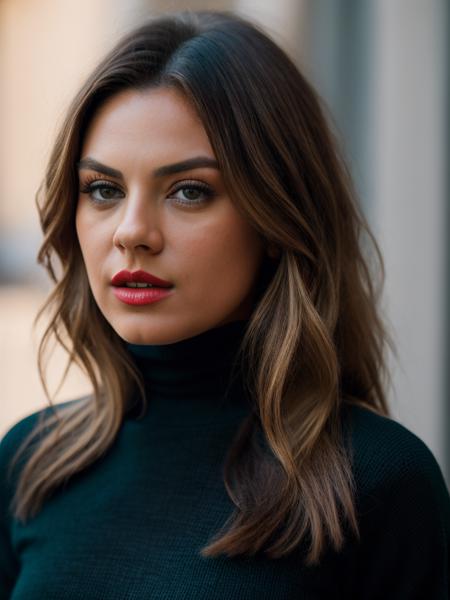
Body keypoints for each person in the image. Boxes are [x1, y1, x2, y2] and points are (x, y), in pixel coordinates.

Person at [0, 9, 449, 599]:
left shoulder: (379, 480)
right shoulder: (29, 465)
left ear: (276, 218)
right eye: (103, 190)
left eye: (190, 191)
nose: (131, 232)